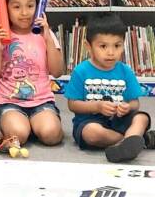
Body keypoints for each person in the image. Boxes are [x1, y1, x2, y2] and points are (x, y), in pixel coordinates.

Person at [0, 0, 64, 148]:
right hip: (9, 102)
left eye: (30, 5)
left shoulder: (45, 35)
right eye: (16, 6)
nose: (24, 12)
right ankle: (15, 126)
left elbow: (57, 72)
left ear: (38, 7)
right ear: (5, 9)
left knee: (51, 135)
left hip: (42, 102)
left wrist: (48, 39)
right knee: (19, 134)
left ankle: (35, 124)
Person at [64, 13, 152, 163]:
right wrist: (96, 106)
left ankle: (129, 143)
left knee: (141, 117)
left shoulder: (125, 70)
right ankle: (137, 140)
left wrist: (126, 107)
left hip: (120, 120)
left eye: (117, 46)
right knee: (92, 133)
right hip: (90, 120)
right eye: (103, 46)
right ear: (88, 46)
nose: (111, 52)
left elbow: (134, 103)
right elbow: (73, 105)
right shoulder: (81, 71)